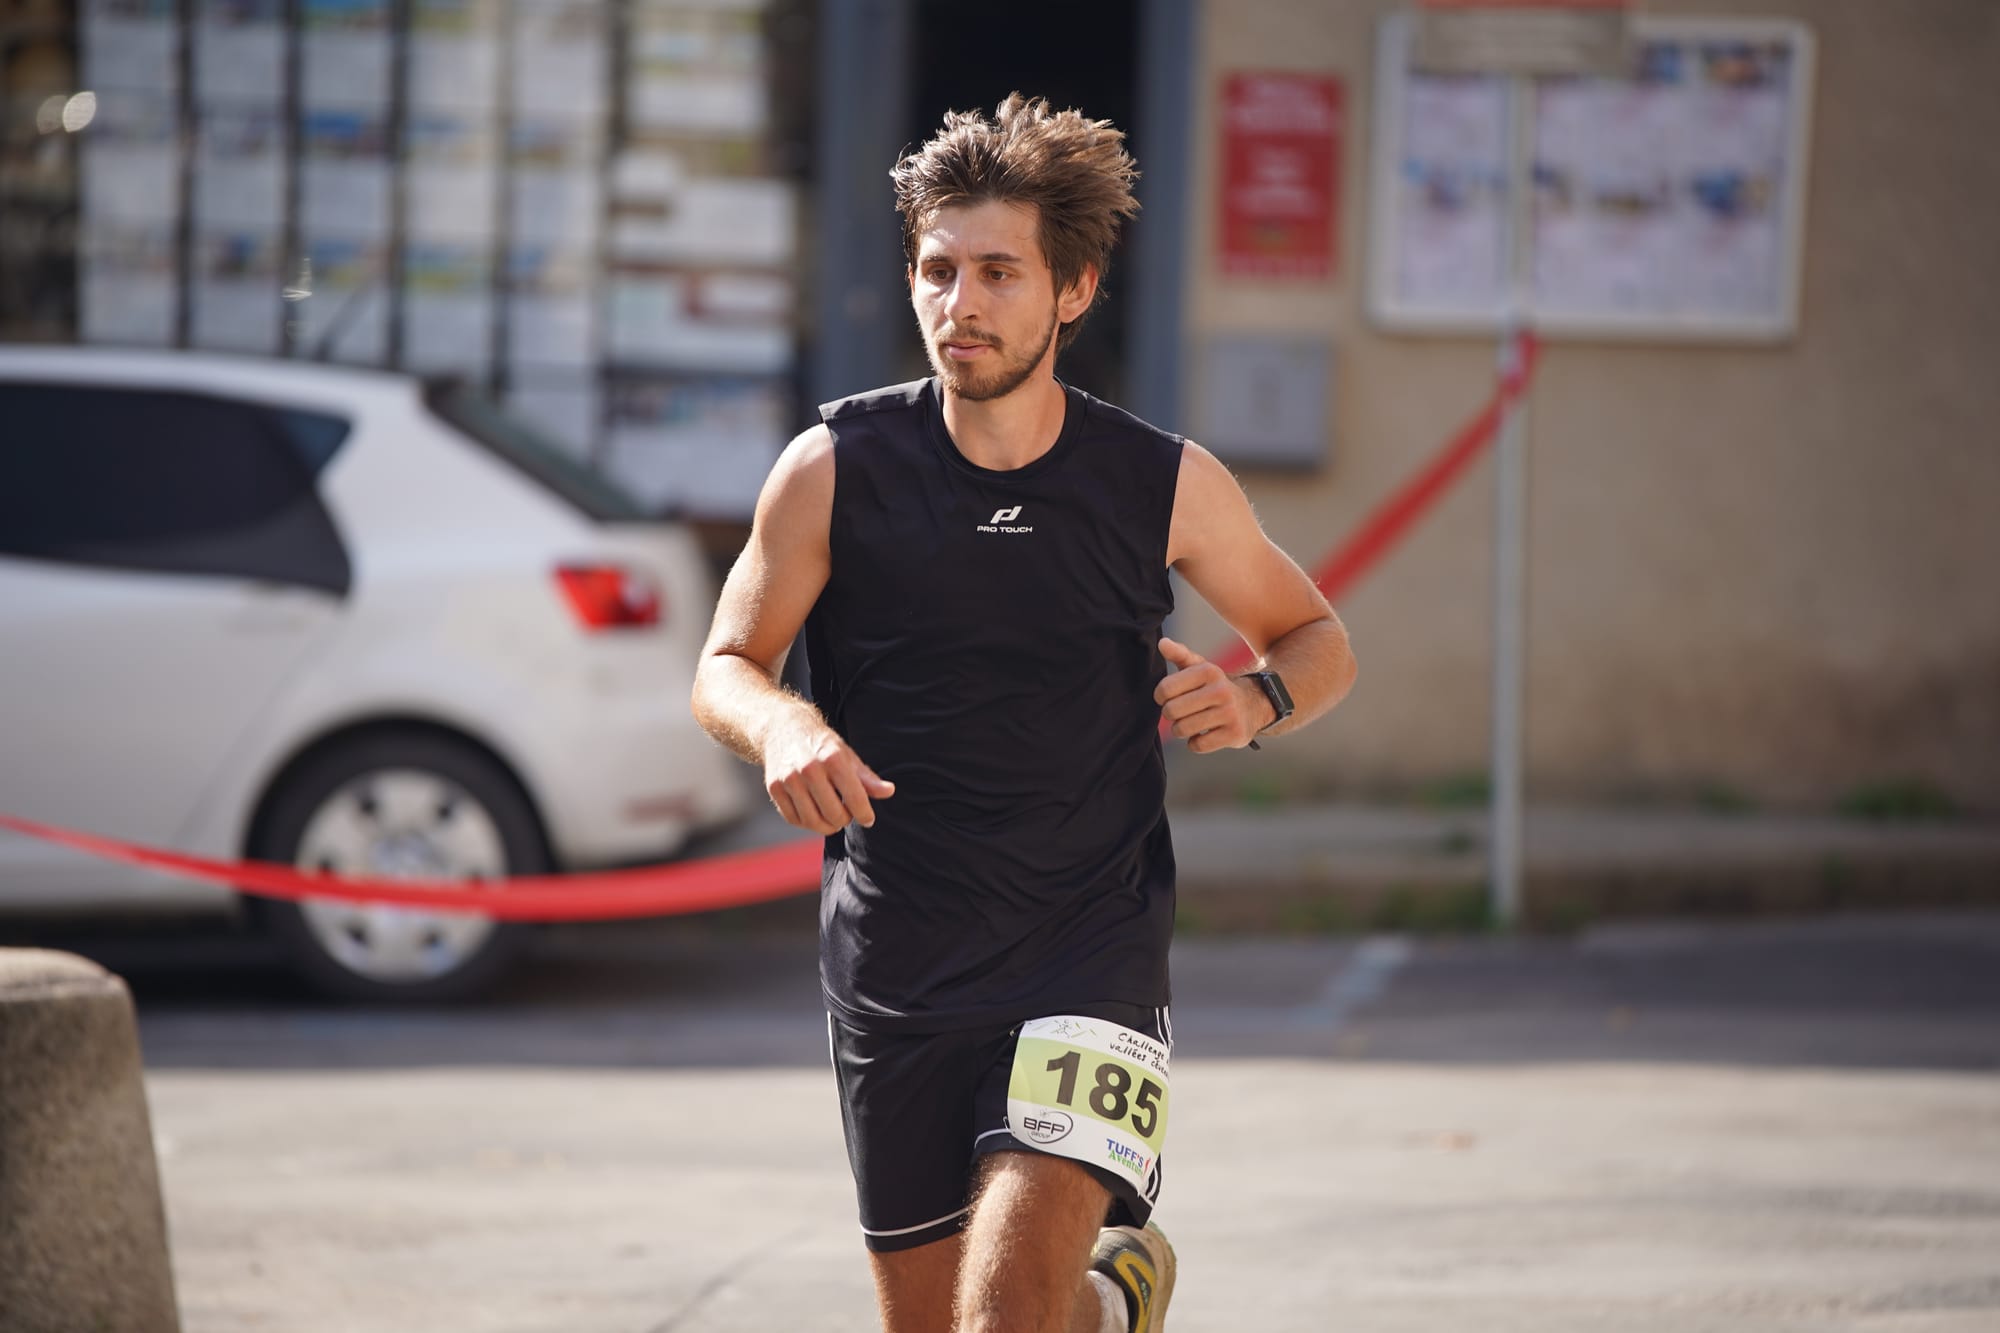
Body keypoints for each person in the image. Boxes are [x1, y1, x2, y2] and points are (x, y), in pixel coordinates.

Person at [691, 94, 1357, 1333]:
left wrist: (1254, 697)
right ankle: (1112, 1305)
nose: (963, 303)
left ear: (1072, 290)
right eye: (939, 271)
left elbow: (1317, 639)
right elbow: (726, 661)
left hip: (1086, 946)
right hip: (899, 957)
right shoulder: (833, 469)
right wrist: (783, 725)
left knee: (1004, 1315)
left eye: (999, 272)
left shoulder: (1157, 482)